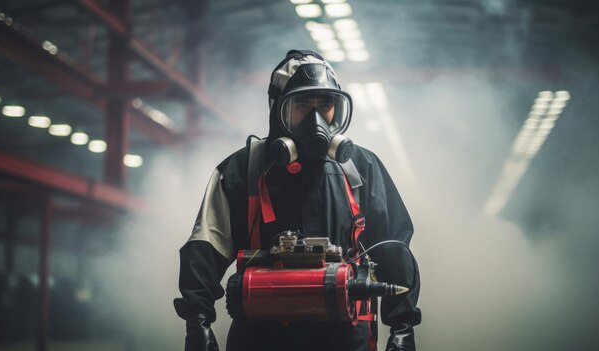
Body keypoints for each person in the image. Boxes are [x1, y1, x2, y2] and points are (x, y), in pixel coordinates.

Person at [175, 49, 421, 351]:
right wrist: (197, 323)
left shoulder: (362, 169)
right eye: (302, 104)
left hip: (344, 339)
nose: (316, 118)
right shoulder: (242, 171)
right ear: (278, 109)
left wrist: (402, 326)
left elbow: (394, 248)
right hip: (262, 340)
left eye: (325, 105)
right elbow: (204, 249)